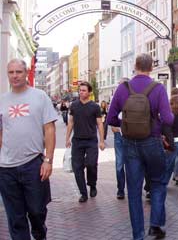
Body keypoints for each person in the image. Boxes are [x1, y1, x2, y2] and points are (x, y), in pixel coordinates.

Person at [107, 53, 174, 240]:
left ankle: (138, 236)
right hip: (152, 142)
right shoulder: (158, 88)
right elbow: (168, 118)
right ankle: (156, 226)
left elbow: (111, 118)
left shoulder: (123, 88)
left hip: (130, 145)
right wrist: (156, 124)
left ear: (135, 67)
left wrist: (128, 125)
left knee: (134, 191)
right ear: (152, 67)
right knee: (158, 183)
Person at [0, 59, 58, 240]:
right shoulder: (2, 100)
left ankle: (40, 235)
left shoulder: (40, 97)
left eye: (19, 72)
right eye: (11, 72)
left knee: (37, 212)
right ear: (7, 74)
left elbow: (49, 129)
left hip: (33, 164)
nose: (15, 76)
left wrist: (48, 160)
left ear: (26, 73)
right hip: (6, 168)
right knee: (15, 218)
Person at [66, 81, 105, 203]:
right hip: (77, 141)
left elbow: (99, 123)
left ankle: (92, 184)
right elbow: (71, 122)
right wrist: (67, 138)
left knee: (91, 164)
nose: (81, 92)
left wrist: (102, 141)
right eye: (80, 90)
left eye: (83, 90)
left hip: (91, 141)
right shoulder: (74, 105)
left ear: (89, 92)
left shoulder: (95, 107)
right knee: (77, 168)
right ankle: (83, 193)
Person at [110, 77, 130, 200]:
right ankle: (121, 189)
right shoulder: (116, 100)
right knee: (119, 164)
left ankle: (135, 188)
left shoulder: (133, 98)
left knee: (133, 164)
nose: (119, 88)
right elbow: (111, 120)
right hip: (119, 136)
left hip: (132, 136)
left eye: (121, 85)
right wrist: (115, 127)